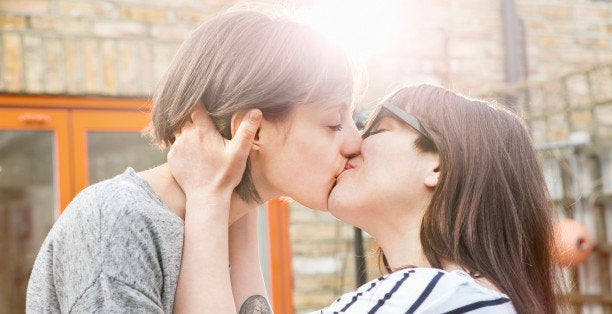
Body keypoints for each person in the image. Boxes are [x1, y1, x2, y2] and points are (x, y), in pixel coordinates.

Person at [26, 9, 361, 313]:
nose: (355, 142)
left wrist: (235, 202)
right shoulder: (121, 222)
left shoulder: (228, 223)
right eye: (333, 122)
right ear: (253, 130)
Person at [168, 84, 561, 313]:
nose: (353, 143)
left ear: (437, 166)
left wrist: (205, 196)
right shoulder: (448, 299)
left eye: (377, 130)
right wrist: (246, 189)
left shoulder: (436, 299)